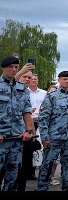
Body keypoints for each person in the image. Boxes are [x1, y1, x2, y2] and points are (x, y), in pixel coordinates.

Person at [36, 71, 68, 191]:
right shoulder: (51, 96)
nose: (67, 81)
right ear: (59, 80)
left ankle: (66, 187)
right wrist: (44, 137)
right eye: (64, 79)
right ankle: (42, 187)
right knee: (48, 164)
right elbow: (43, 118)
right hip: (53, 138)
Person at [0, 56, 35, 191]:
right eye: (10, 67)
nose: (13, 70)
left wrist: (29, 131)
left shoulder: (22, 88)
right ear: (3, 68)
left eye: (16, 67)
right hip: (1, 139)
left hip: (16, 139)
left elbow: (27, 111)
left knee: (13, 177)